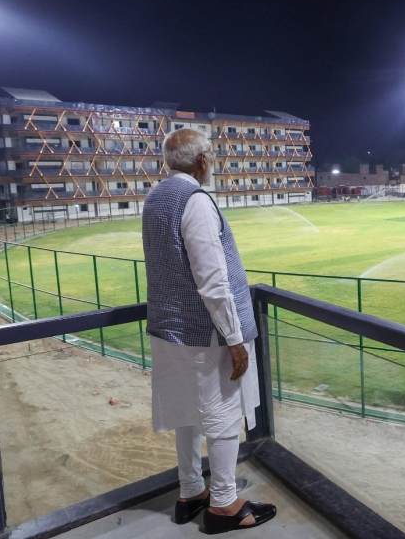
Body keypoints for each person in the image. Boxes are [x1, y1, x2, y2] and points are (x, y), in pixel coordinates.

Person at [142, 128, 276, 534]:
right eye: (211, 156)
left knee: (187, 411)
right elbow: (213, 280)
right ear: (202, 161)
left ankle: (191, 492)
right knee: (221, 415)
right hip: (206, 333)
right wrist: (235, 340)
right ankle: (223, 504)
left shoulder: (154, 197)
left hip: (170, 328)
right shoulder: (195, 201)